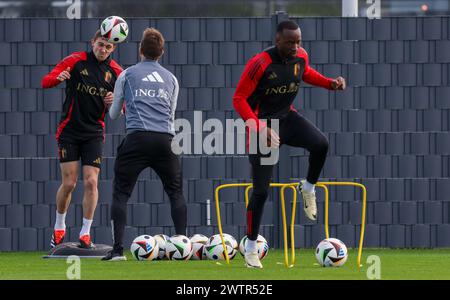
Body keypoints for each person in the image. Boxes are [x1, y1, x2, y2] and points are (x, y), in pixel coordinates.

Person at [233, 20, 346, 268]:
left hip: (287, 118)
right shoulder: (260, 63)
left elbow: (306, 73)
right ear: (277, 41)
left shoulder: (301, 56)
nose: (295, 46)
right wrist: (259, 126)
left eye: (298, 42)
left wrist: (330, 83)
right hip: (262, 125)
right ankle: (251, 248)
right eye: (290, 42)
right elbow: (239, 98)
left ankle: (307, 188)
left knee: (321, 144)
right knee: (261, 191)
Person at [102, 28, 187, 261]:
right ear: (162, 53)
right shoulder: (172, 79)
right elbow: (171, 114)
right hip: (165, 140)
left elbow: (113, 115)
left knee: (121, 193)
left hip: (137, 139)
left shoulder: (126, 75)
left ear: (140, 50)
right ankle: (182, 247)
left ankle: (118, 250)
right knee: (175, 192)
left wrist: (113, 102)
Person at [42, 30, 122, 249]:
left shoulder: (116, 73)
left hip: (94, 133)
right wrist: (57, 78)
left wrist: (115, 100)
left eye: (108, 46)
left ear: (113, 48)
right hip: (69, 131)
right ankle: (59, 227)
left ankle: (85, 233)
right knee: (69, 183)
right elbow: (45, 81)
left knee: (91, 181)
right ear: (92, 42)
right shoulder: (76, 60)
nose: (103, 49)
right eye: (100, 44)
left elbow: (124, 107)